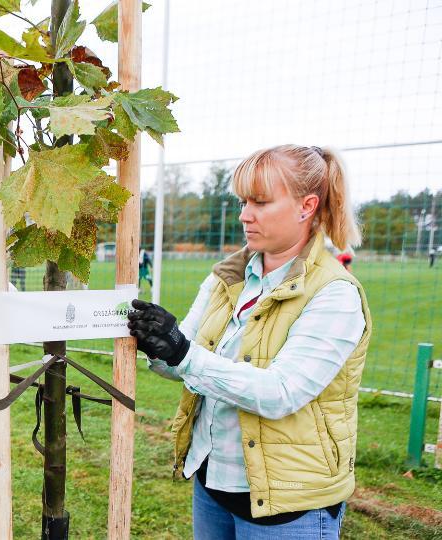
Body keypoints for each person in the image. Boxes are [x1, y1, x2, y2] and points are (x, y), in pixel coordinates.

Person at [127, 145, 370, 538]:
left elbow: (280, 392)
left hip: (288, 506)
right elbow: (187, 356)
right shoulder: (228, 277)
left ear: (306, 206)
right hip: (214, 482)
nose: (244, 214)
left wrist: (183, 353)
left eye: (260, 202)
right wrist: (159, 344)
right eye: (243, 201)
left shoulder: (334, 294)